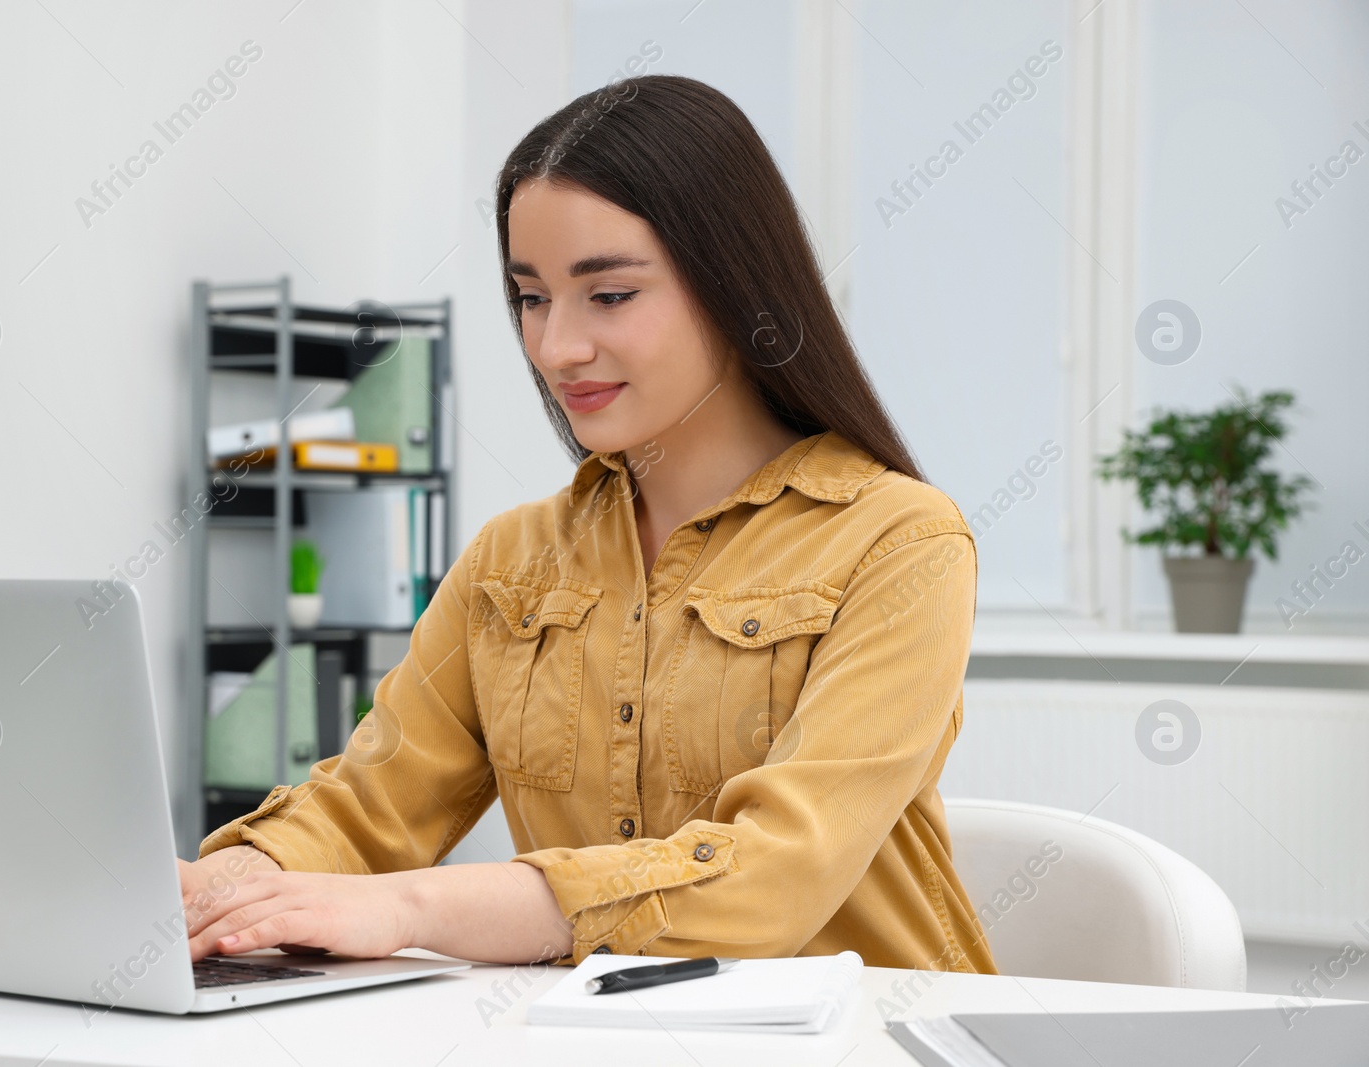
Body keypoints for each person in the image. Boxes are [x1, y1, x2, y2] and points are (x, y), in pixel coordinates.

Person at [178, 73, 996, 976]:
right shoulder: (512, 560)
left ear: (735, 284)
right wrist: (228, 888)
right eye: (532, 297)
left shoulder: (901, 542)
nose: (557, 347)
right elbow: (371, 804)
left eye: (608, 295)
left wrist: (411, 904)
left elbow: (774, 875)